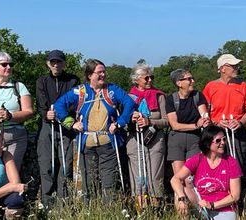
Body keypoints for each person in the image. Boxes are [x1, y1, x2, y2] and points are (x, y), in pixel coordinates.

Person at [54, 59, 135, 203]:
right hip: (87, 144)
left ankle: (108, 211)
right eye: (99, 72)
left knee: (109, 181)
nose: (103, 75)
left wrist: (120, 123)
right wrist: (71, 123)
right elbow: (59, 105)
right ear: (90, 75)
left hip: (108, 143)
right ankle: (90, 211)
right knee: (89, 182)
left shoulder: (112, 90)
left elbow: (129, 103)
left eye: (104, 71)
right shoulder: (79, 92)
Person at [202, 54, 246, 205]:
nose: (236, 68)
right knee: (216, 165)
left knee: (237, 167)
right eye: (232, 66)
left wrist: (240, 122)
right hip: (216, 133)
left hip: (237, 133)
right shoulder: (210, 86)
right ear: (222, 68)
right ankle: (218, 200)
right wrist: (216, 122)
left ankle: (237, 202)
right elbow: (204, 110)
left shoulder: (242, 85)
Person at [35, 50, 80, 208]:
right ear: (48, 63)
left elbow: (74, 103)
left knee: (65, 166)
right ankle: (47, 204)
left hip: (66, 127)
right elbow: (41, 104)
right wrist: (47, 113)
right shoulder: (42, 81)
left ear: (64, 64)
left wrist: (61, 113)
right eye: (52, 62)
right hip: (47, 126)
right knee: (46, 166)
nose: (56, 65)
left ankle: (63, 204)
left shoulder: (73, 80)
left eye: (59, 62)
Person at [170, 125, 241, 220]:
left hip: (223, 208)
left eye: (224, 139)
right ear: (207, 143)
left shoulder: (231, 162)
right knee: (181, 191)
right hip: (200, 205)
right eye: (218, 141)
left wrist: (212, 205)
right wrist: (181, 198)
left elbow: (235, 196)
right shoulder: (198, 159)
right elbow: (175, 179)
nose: (223, 143)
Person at [165, 68, 210, 207]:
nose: (192, 81)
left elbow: (204, 114)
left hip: (194, 140)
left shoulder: (198, 96)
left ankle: (197, 211)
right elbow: (174, 125)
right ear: (179, 83)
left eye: (192, 78)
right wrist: (195, 125)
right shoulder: (171, 99)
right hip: (177, 140)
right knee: (179, 179)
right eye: (189, 79)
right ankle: (181, 212)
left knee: (190, 179)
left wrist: (205, 120)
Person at [126, 63, 168, 207]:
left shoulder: (159, 96)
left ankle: (156, 210)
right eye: (146, 78)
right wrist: (131, 120)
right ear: (137, 80)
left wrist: (149, 121)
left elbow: (166, 120)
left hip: (155, 140)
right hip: (134, 140)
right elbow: (122, 123)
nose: (150, 80)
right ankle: (141, 210)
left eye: (151, 77)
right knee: (138, 177)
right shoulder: (128, 97)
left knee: (155, 176)